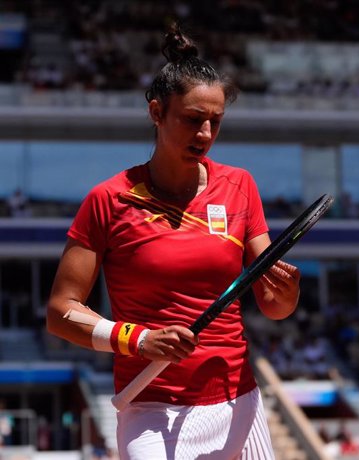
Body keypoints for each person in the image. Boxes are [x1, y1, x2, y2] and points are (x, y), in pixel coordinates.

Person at [45, 24, 301, 460]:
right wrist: (138, 339)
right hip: (150, 407)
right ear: (156, 112)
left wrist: (289, 292)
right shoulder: (108, 200)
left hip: (238, 400)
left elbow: (275, 306)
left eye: (214, 122)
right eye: (191, 119)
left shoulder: (240, 186)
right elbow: (61, 313)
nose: (204, 133)